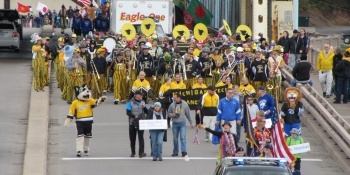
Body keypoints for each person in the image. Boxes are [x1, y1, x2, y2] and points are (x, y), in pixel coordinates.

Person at [168, 93, 193, 157]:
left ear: (179, 98)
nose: (174, 99)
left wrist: (191, 123)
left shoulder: (185, 104)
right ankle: (175, 152)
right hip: (175, 123)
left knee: (183, 138)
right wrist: (172, 115)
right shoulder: (172, 105)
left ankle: (184, 151)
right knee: (175, 139)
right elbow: (168, 114)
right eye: (173, 98)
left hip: (182, 123)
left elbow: (188, 114)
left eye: (175, 98)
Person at [125, 90, 149, 158]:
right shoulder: (130, 103)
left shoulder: (143, 102)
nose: (141, 96)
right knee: (132, 138)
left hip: (141, 122)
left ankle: (141, 152)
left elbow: (146, 111)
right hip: (132, 122)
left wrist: (145, 108)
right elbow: (128, 112)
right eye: (140, 95)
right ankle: (133, 152)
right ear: (136, 95)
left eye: (141, 95)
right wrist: (134, 116)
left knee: (141, 138)